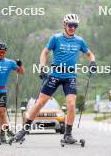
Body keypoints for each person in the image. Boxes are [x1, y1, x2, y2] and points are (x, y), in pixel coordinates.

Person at [12, 14, 96, 144]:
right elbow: (44, 52)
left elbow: (89, 54)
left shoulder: (79, 41)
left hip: (70, 76)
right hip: (55, 75)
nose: (72, 28)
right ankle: (23, 130)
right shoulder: (55, 38)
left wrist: (92, 62)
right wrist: (42, 67)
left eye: (75, 26)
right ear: (64, 25)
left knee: (72, 105)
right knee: (40, 103)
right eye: (70, 25)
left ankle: (67, 135)